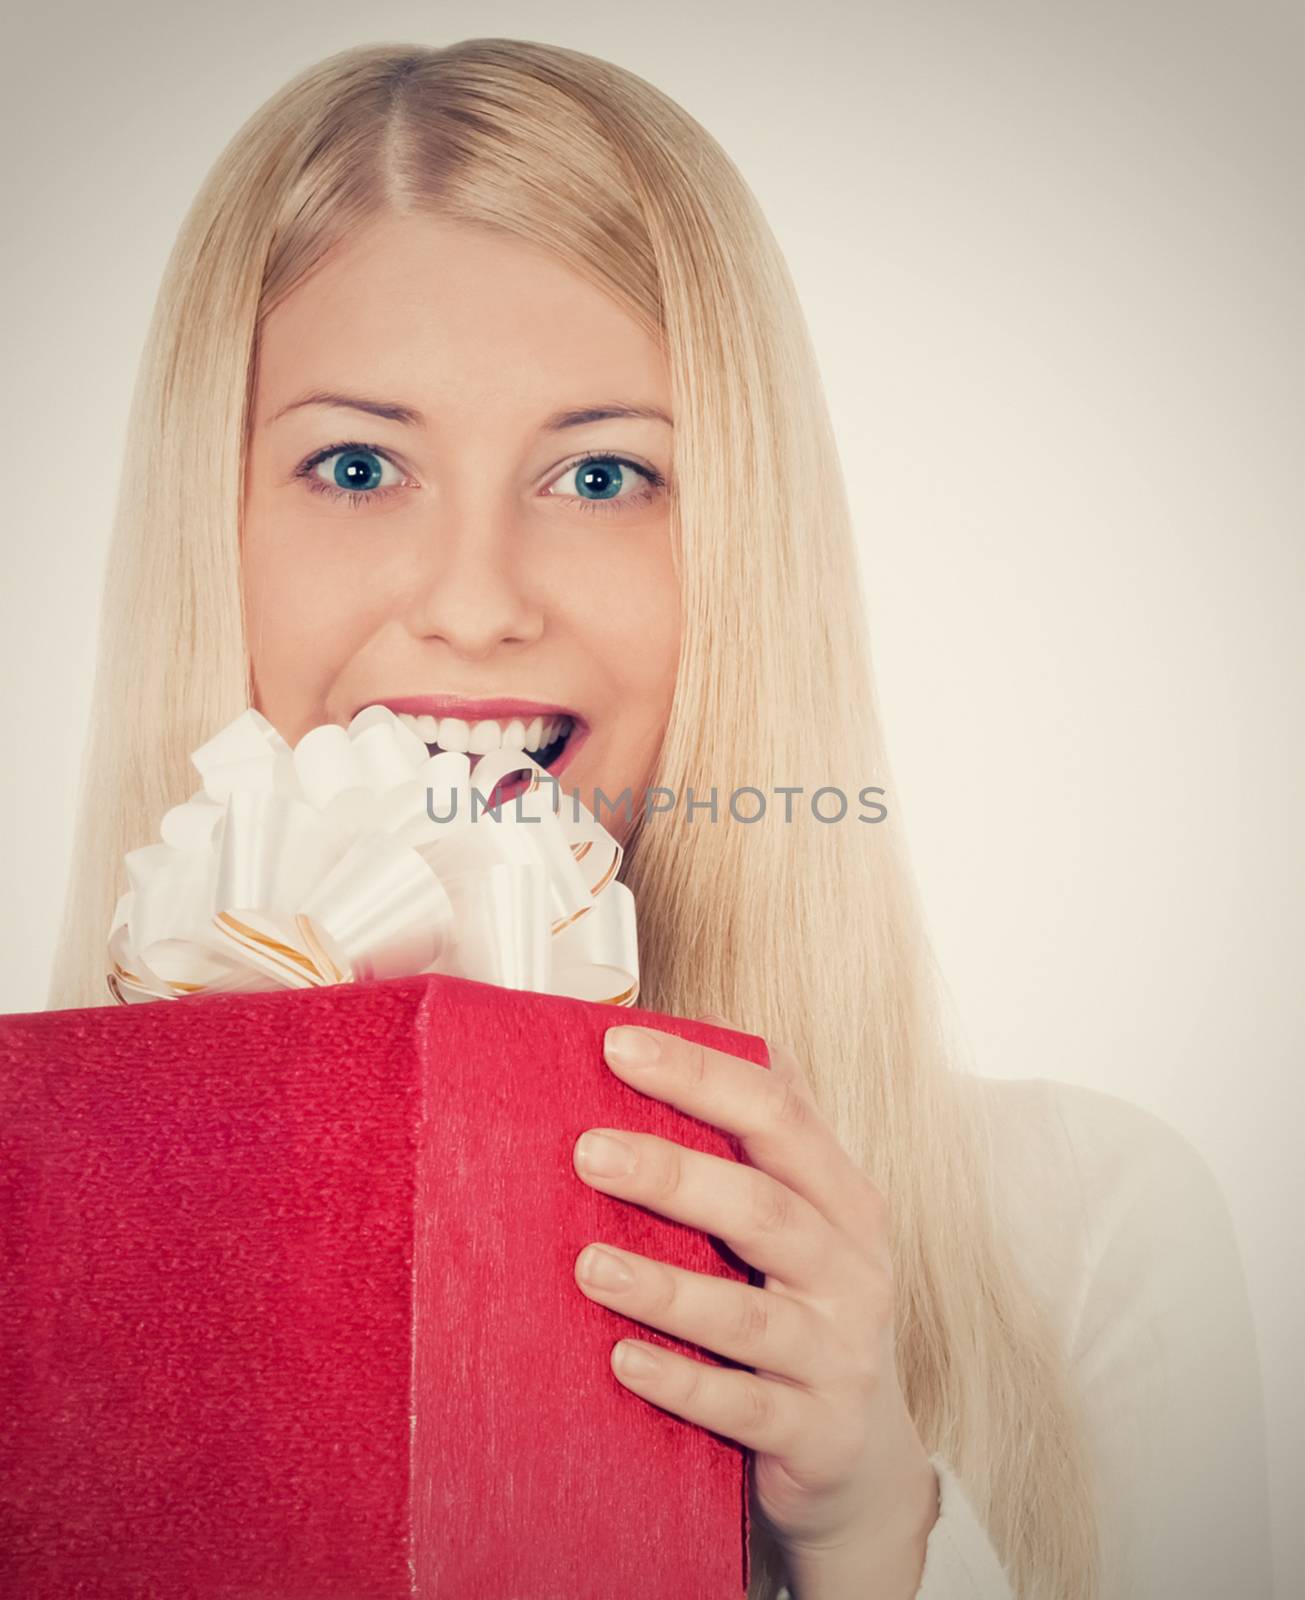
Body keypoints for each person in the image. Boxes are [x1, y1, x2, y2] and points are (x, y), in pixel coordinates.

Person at [46, 37, 1273, 1599]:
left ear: (742, 551)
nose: (475, 603)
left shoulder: (1089, 1234)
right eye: (356, 466)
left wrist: (872, 1540)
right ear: (204, 528)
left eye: (604, 475)